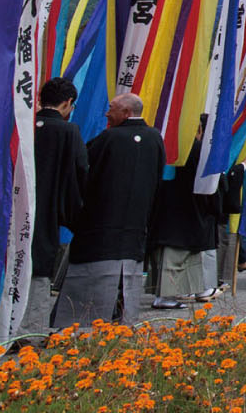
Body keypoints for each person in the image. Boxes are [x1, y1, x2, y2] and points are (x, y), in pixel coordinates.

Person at [56, 94, 163, 328]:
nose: (106, 114)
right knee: (126, 284)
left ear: (125, 113)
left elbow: (82, 172)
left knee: (93, 289)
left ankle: (83, 324)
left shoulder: (109, 138)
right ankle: (123, 322)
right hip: (136, 226)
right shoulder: (155, 138)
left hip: (101, 226)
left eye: (111, 109)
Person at [19, 76, 88, 339]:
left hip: (14, 208)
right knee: (38, 271)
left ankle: (3, 329)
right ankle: (30, 333)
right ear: (68, 103)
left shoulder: (24, 125)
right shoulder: (69, 132)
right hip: (46, 211)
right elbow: (80, 173)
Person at [147, 128, 223, 308]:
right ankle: (168, 296)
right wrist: (216, 209)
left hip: (164, 208)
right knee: (177, 257)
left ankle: (169, 294)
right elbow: (211, 186)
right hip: (191, 208)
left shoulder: (164, 145)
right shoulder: (199, 151)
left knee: (170, 255)